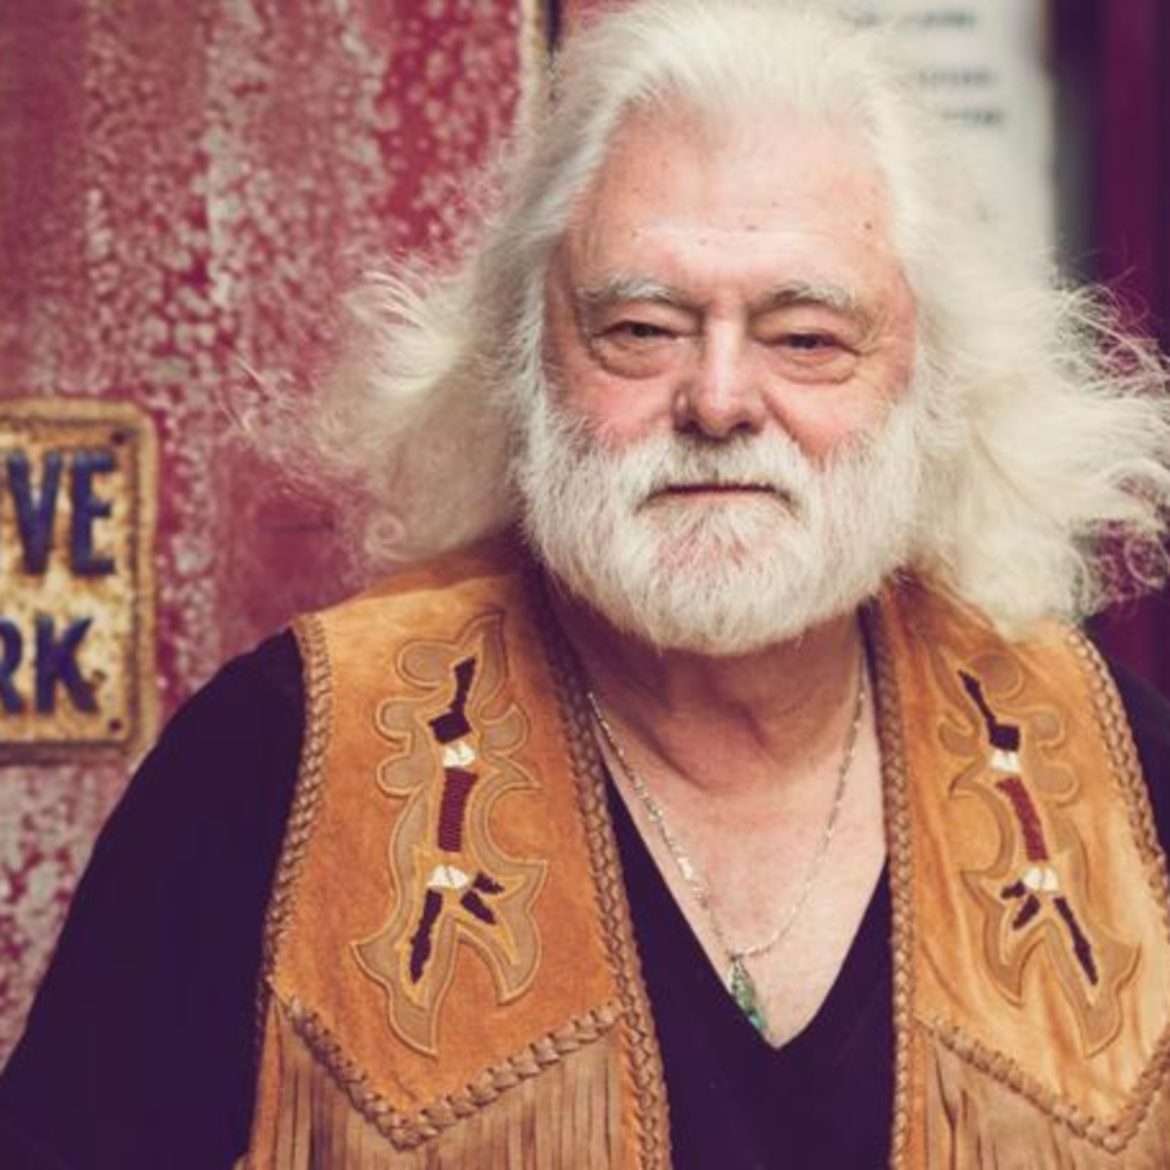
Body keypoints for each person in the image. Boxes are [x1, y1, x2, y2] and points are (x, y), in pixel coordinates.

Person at [4, 1, 1170, 1167]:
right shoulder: (278, 760)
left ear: (929, 380)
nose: (719, 401)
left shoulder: (1111, 766)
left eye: (806, 338)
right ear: (524, 362)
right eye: (642, 329)